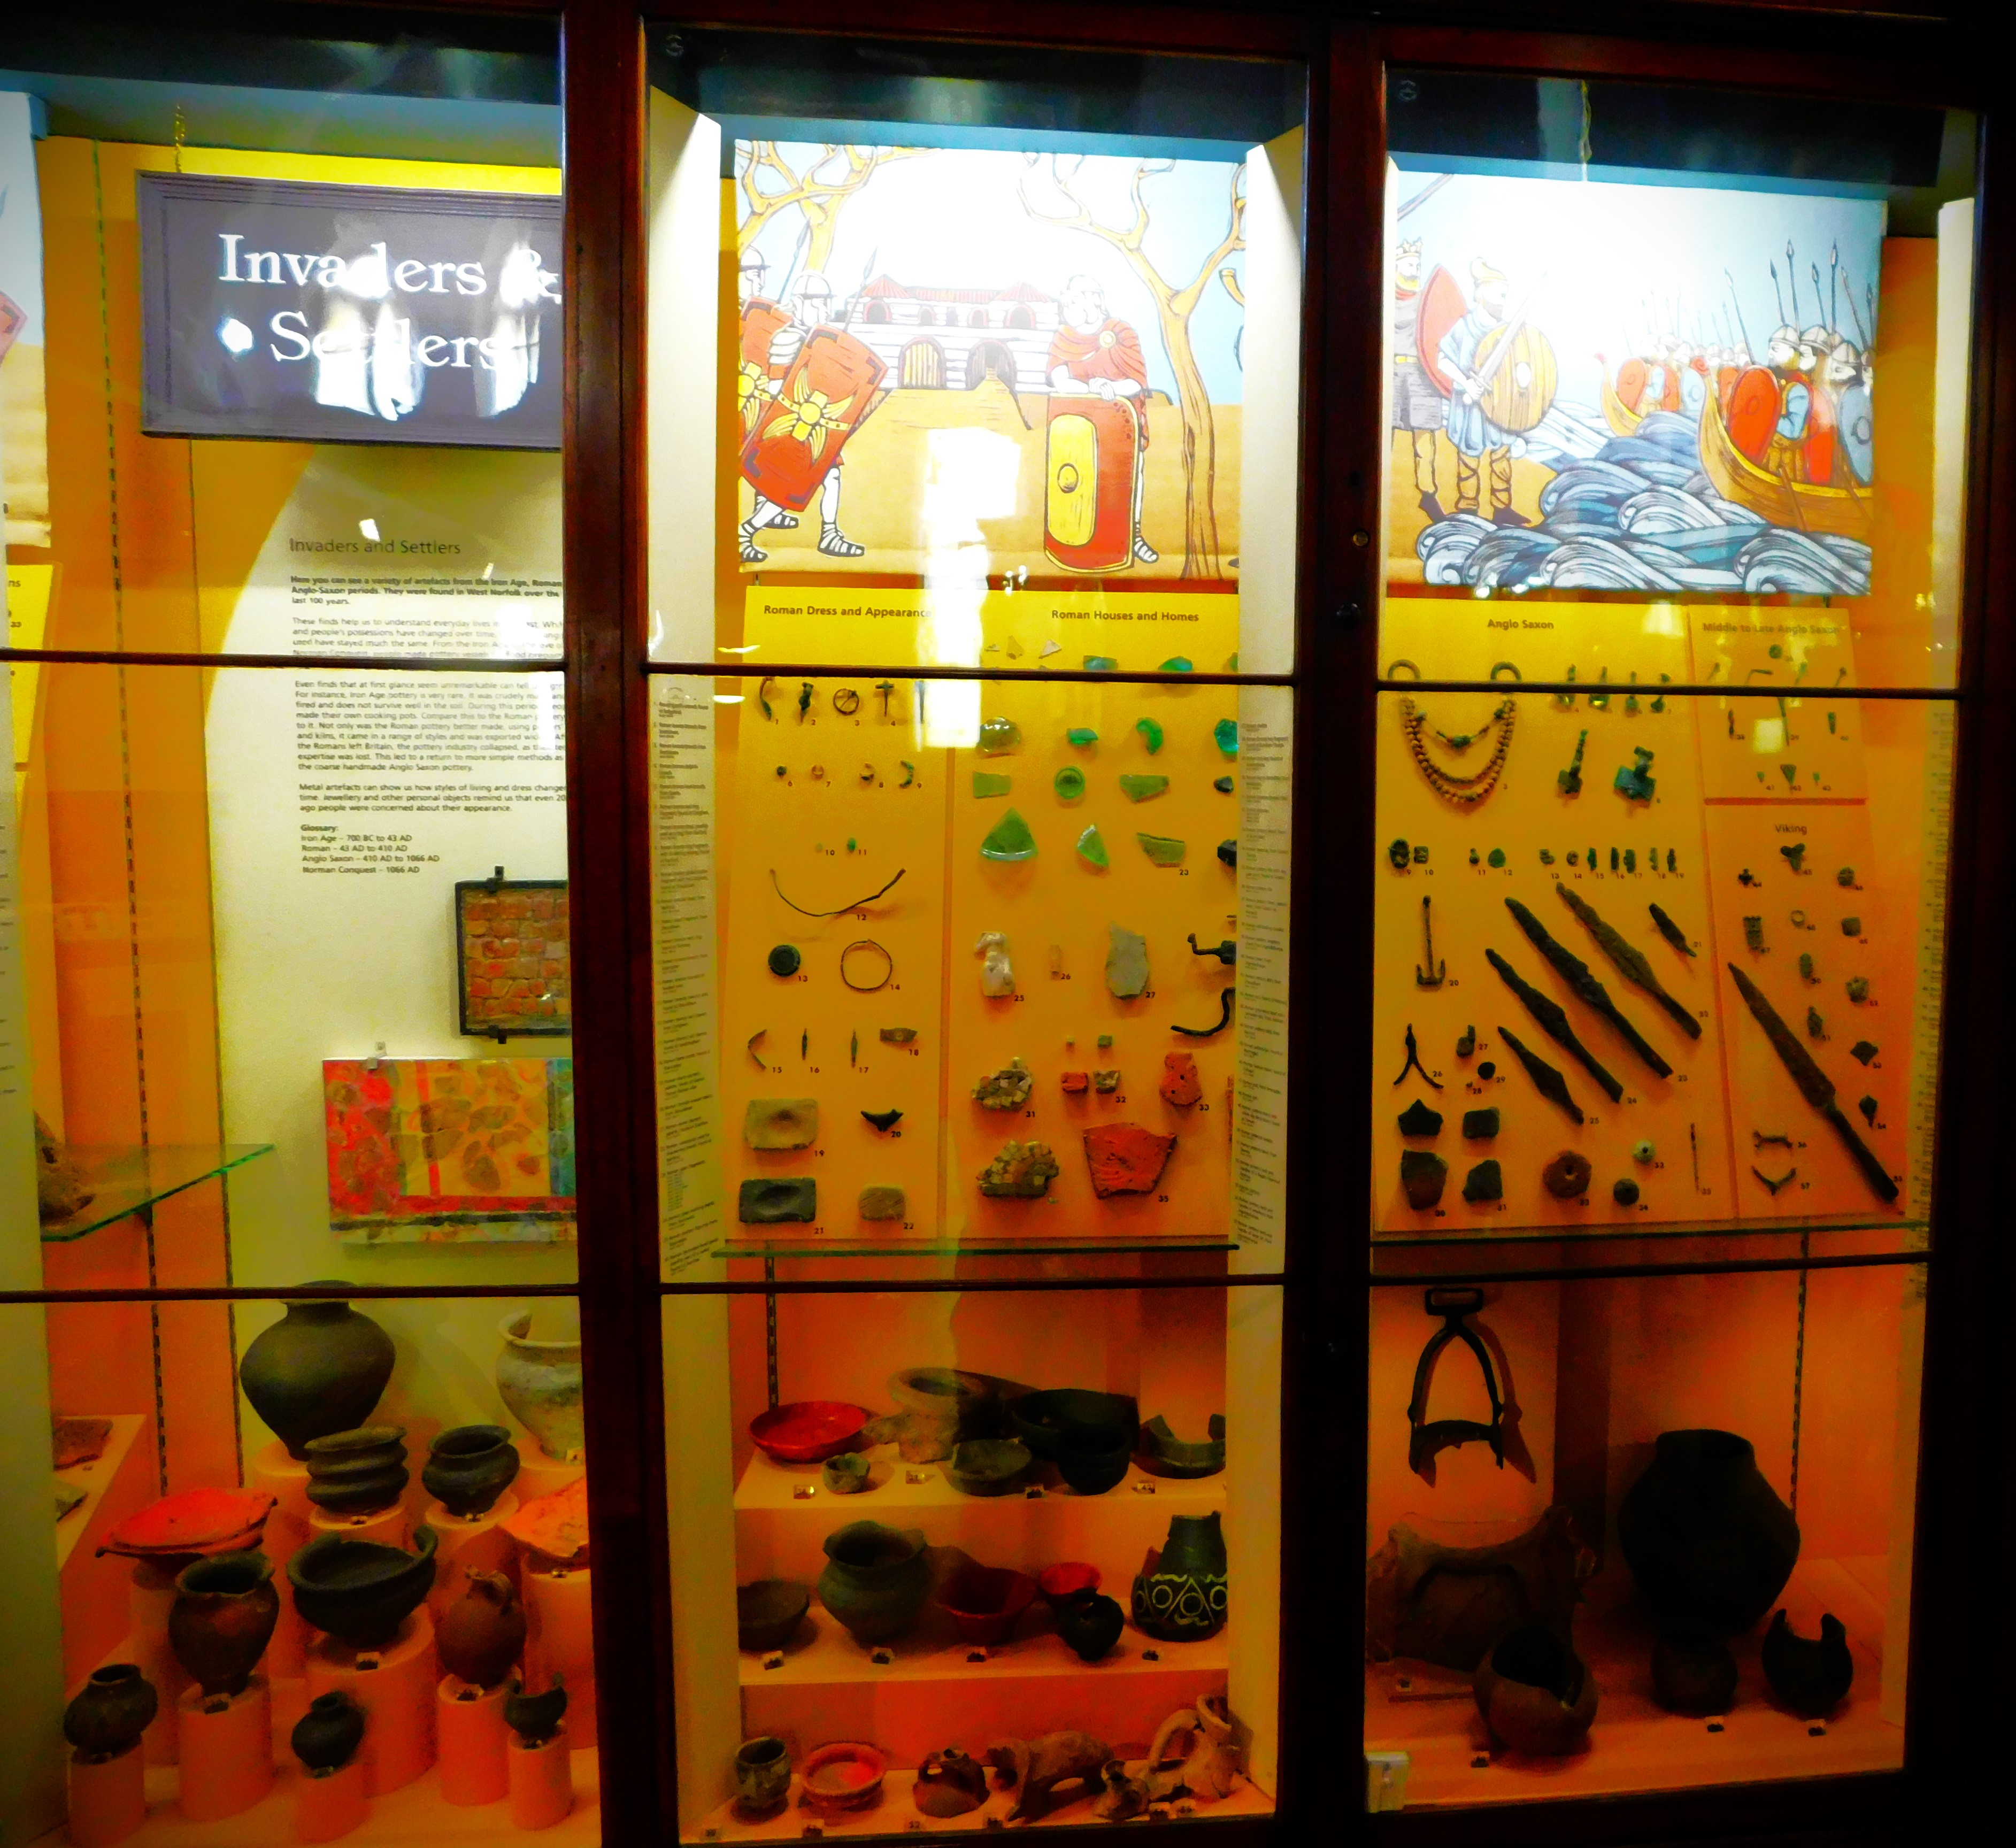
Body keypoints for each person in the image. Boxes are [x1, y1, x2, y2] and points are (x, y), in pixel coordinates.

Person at [739, 272, 865, 562]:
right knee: (788, 487)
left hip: (815, 429)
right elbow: (777, 392)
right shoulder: (789, 339)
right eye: (818, 302)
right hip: (792, 431)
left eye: (827, 302)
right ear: (799, 302)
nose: (825, 309)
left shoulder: (824, 344)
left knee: (829, 477)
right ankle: (745, 532)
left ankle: (829, 534)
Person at [1047, 274, 1157, 563]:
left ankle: (1132, 536)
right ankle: (1076, 545)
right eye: (1066, 303)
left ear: (1093, 301)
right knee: (1076, 481)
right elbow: (1060, 378)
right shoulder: (1064, 337)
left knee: (1125, 478)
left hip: (1120, 423)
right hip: (1077, 425)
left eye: (1073, 302)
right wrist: (1092, 390)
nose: (1067, 309)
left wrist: (1111, 388)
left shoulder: (1121, 333)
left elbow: (1136, 381)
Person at [1436, 259, 1527, 528]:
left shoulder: (1508, 331)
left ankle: (1502, 509)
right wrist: (1466, 383)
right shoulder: (1464, 328)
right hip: (1471, 405)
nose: (1502, 300)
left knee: (1501, 455)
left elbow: (1520, 365)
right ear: (1482, 293)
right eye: (1499, 294)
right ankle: (1468, 508)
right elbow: (1443, 360)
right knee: (1469, 454)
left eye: (1505, 295)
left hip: (1498, 404)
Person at [1391, 238, 1445, 519]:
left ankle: (1428, 493)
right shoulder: (1384, 298)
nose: (1415, 269)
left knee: (1424, 437)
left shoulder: (1427, 300)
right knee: (1382, 433)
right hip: (1391, 372)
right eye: (1409, 264)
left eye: (1417, 265)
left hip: (1422, 372)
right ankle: (1378, 486)